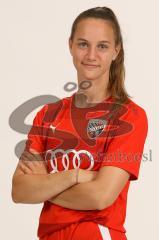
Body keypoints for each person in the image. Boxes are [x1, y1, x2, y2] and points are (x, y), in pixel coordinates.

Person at [11, 6, 148, 240]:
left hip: (96, 233)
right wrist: (73, 175)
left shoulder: (129, 116)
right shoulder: (48, 114)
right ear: (70, 46)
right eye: (83, 44)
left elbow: (100, 196)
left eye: (102, 46)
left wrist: (44, 185)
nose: (91, 55)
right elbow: (20, 190)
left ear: (116, 51)